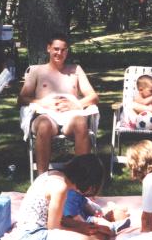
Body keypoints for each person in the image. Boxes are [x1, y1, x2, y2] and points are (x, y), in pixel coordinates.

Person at [18, 33, 99, 174]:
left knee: (81, 123)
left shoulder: (75, 70)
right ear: (48, 48)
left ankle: (80, 177)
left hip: (71, 115)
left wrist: (77, 105)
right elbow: (22, 98)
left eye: (63, 49)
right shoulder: (36, 70)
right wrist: (42, 103)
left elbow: (93, 96)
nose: (59, 53)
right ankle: (42, 178)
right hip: (46, 114)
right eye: (56, 49)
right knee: (44, 126)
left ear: (67, 51)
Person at [16, 154, 106, 240]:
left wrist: (82, 226)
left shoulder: (52, 175)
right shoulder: (60, 187)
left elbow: (54, 218)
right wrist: (80, 229)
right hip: (34, 238)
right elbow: (53, 229)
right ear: (89, 184)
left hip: (26, 235)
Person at [62, 190, 131, 240]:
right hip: (83, 221)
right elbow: (77, 220)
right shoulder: (69, 196)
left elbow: (87, 205)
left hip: (87, 217)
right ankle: (113, 226)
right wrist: (90, 225)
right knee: (100, 225)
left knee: (101, 215)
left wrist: (95, 214)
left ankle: (112, 211)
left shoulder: (75, 193)